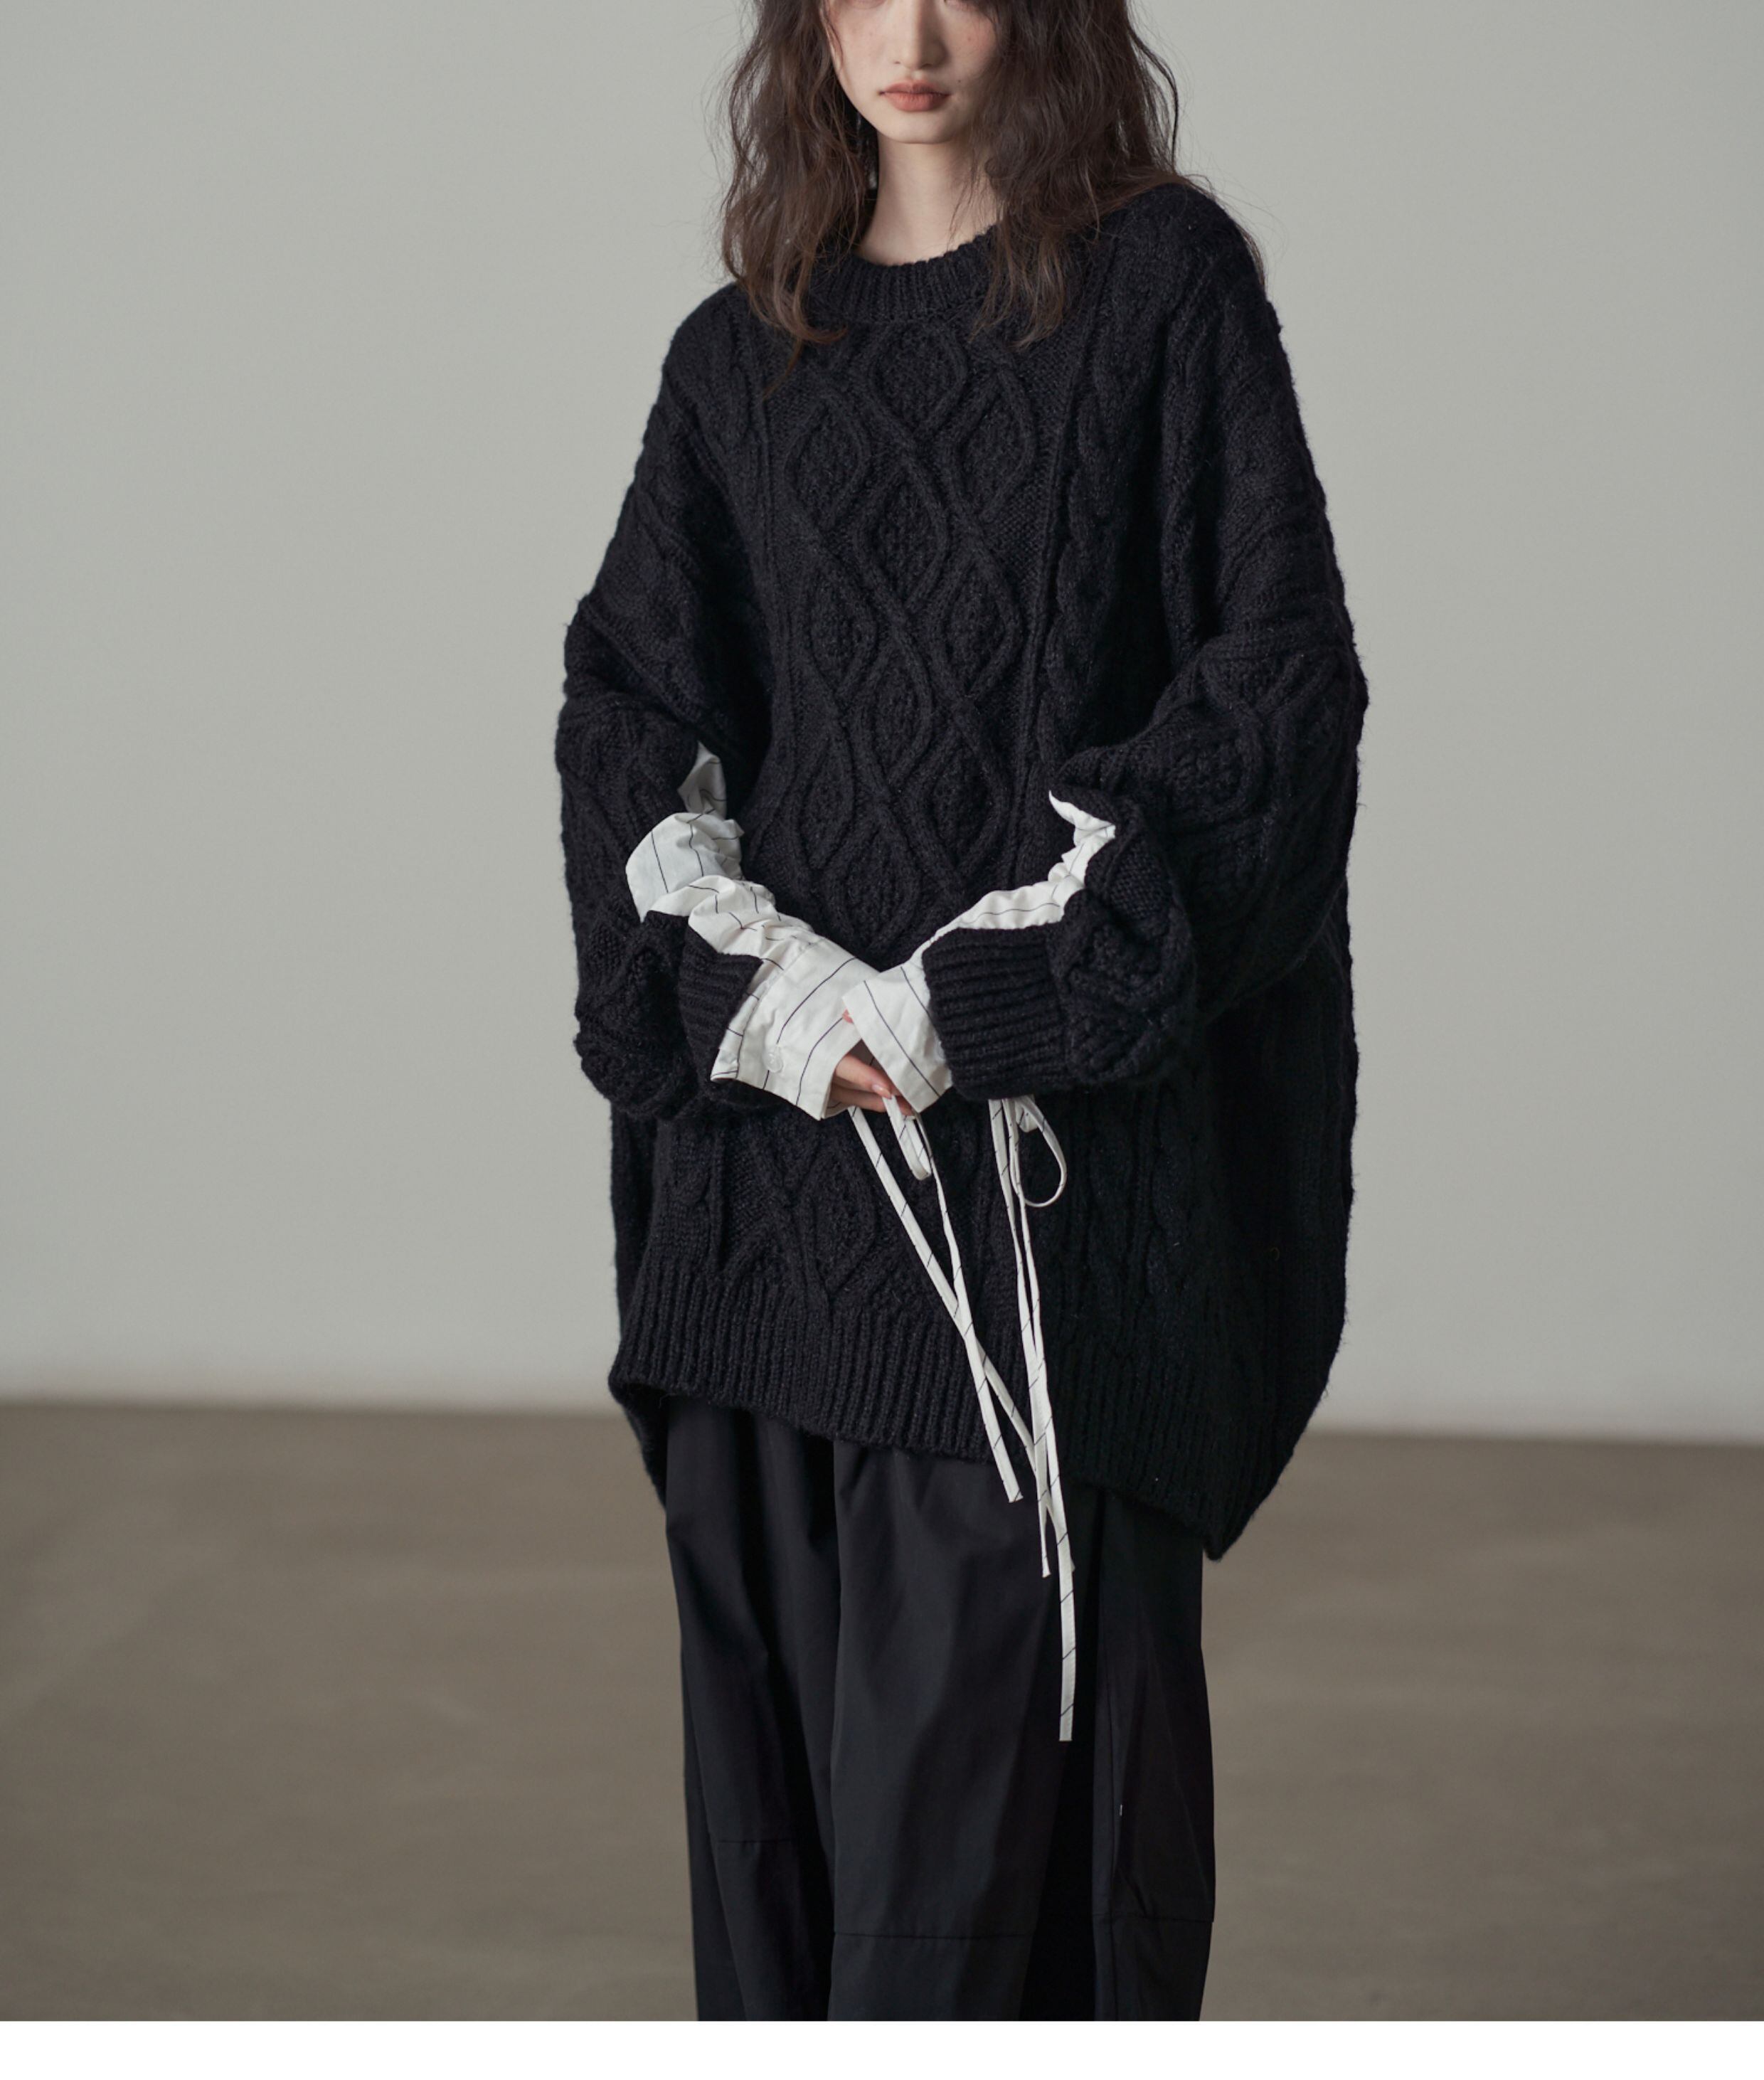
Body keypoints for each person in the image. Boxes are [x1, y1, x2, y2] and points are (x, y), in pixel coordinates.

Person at [553, 0, 1368, 2022]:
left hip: (1023, 1257)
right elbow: (630, 717)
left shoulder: (1163, 292)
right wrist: (768, 994)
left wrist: (980, 1002)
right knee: (782, 1938)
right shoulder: (739, 356)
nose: (910, 33)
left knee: (984, 1953)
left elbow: (1278, 701)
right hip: (762, 1246)